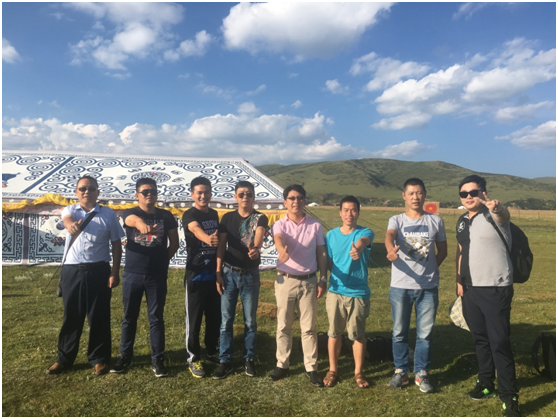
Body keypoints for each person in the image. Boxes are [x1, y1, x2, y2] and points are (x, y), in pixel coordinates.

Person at [455, 175, 520, 417]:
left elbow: (504, 216)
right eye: (464, 193)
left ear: (484, 192)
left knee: (499, 343)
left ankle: (509, 397)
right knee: (480, 340)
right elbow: (461, 251)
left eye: (473, 192)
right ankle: (486, 383)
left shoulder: (494, 214)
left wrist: (499, 208)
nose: (468, 197)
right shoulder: (462, 221)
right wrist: (459, 281)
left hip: (495, 288)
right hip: (470, 289)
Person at [46, 175, 124, 376]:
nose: (86, 192)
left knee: (99, 315)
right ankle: (64, 358)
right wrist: (70, 225)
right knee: (71, 315)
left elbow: (116, 243)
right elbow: (67, 220)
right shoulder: (70, 210)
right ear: (76, 192)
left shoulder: (108, 214)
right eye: (82, 188)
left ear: (98, 192)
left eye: (91, 188)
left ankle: (99, 359)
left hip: (98, 270)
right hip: (72, 270)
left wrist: (115, 271)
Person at [110, 178, 179, 377]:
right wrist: (140, 224)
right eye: (145, 191)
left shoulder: (166, 216)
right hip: (133, 273)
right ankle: (125, 357)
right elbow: (130, 220)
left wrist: (162, 261)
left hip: (156, 275)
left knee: (156, 318)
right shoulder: (130, 212)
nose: (150, 194)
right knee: (129, 317)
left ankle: (158, 360)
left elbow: (174, 243)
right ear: (137, 195)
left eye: (153, 191)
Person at [385, 177, 447, 393]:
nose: (415, 197)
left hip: (428, 288)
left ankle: (422, 373)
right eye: (411, 193)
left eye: (419, 193)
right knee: (399, 331)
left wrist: (431, 269)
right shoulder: (396, 220)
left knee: (425, 334)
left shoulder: (436, 221)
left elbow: (443, 251)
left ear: (425, 195)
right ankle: (400, 371)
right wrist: (390, 249)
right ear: (404, 196)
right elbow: (390, 235)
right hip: (400, 286)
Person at [270, 184, 327, 387]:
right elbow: (278, 238)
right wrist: (281, 251)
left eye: (300, 198)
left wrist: (323, 279)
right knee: (283, 325)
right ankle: (282, 364)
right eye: (292, 198)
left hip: (309, 281)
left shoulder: (315, 225)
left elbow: (321, 253)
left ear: (304, 201)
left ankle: (311, 368)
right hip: (286, 280)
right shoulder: (280, 224)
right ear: (285, 202)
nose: (296, 201)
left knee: (309, 327)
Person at [213, 181, 269, 379]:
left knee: (250, 321)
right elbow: (221, 246)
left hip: (250, 275)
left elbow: (259, 234)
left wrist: (256, 249)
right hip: (228, 273)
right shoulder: (227, 218)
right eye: (242, 194)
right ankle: (225, 360)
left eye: (249, 194)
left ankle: (249, 359)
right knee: (226, 320)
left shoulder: (260, 217)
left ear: (254, 197)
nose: (245, 197)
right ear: (235, 197)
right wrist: (218, 272)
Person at [322, 196, 374, 388]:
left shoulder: (365, 232)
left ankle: (358, 372)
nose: (349, 214)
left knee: (357, 334)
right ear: (340, 213)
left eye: (353, 210)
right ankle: (332, 370)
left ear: (358, 212)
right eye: (345, 210)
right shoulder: (331, 236)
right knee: (334, 333)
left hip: (358, 293)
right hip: (335, 291)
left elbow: (363, 241)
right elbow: (329, 262)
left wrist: (357, 249)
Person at [183, 176, 221, 378]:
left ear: (211, 193)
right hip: (196, 276)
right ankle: (194, 357)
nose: (203, 196)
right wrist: (207, 238)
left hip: (213, 275)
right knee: (194, 319)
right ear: (192, 194)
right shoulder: (189, 214)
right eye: (199, 192)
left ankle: (212, 352)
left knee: (214, 317)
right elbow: (194, 228)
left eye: (206, 192)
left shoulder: (214, 214)